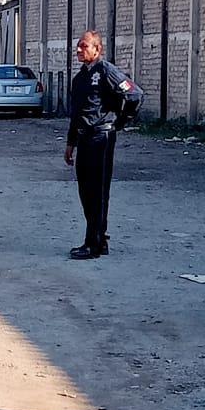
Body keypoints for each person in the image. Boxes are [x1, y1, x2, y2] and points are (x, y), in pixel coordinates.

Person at [64, 30, 143, 260]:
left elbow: (135, 95)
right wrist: (70, 144)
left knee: (97, 192)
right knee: (85, 191)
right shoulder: (79, 79)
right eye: (78, 46)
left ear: (97, 50)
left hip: (101, 138)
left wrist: (119, 122)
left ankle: (94, 244)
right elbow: (76, 113)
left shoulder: (106, 71)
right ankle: (99, 238)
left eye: (84, 46)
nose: (79, 50)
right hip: (84, 138)